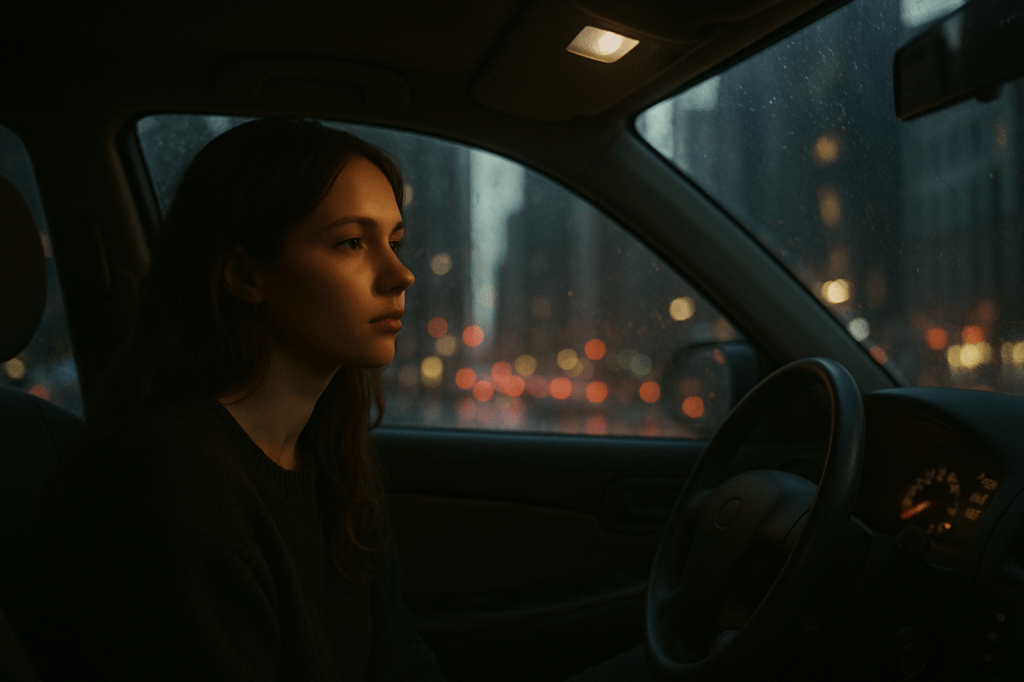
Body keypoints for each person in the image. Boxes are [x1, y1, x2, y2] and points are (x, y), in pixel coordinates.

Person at [21, 118, 444, 681]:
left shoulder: (330, 451)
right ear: (247, 274)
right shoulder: (178, 480)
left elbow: (402, 662)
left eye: (394, 242)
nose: (402, 275)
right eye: (351, 242)